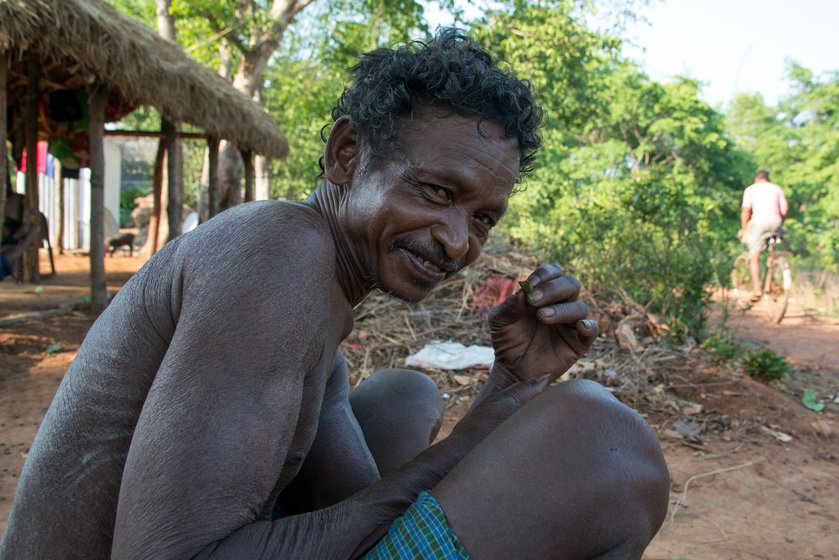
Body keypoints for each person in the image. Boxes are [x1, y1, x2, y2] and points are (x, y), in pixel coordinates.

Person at [1, 29, 669, 559]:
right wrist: (483, 440)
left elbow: (353, 507)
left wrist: (511, 390)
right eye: (436, 191)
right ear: (346, 154)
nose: (457, 240)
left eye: (483, 218)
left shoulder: (315, 289)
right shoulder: (277, 254)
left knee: (406, 397)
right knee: (601, 440)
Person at [738, 169, 789, 300]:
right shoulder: (777, 189)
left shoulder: (751, 189)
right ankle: (773, 261)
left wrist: (744, 229)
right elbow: (784, 210)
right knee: (772, 247)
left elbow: (746, 211)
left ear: (756, 179)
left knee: (754, 257)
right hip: (776, 221)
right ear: (767, 178)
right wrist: (779, 222)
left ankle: (757, 290)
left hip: (759, 222)